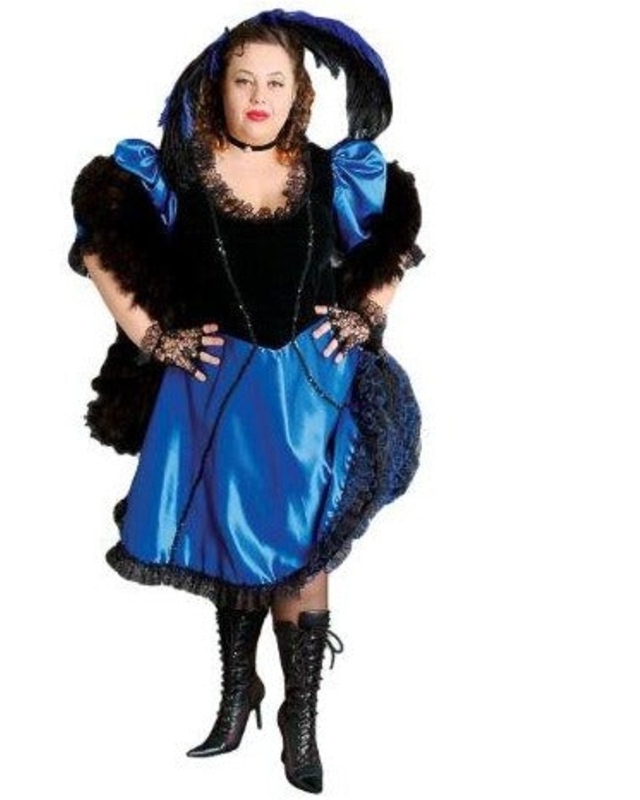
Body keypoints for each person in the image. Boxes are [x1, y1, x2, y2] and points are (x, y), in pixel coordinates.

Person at [68, 10, 424, 794]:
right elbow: (100, 248)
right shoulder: (178, 174)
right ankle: (238, 696)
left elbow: (392, 241)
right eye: (243, 80)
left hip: (310, 393)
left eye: (275, 82)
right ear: (218, 88)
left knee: (303, 547)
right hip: (219, 390)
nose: (259, 97)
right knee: (231, 539)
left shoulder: (333, 174)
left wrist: (366, 314)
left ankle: (301, 723)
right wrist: (152, 336)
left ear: (299, 92)